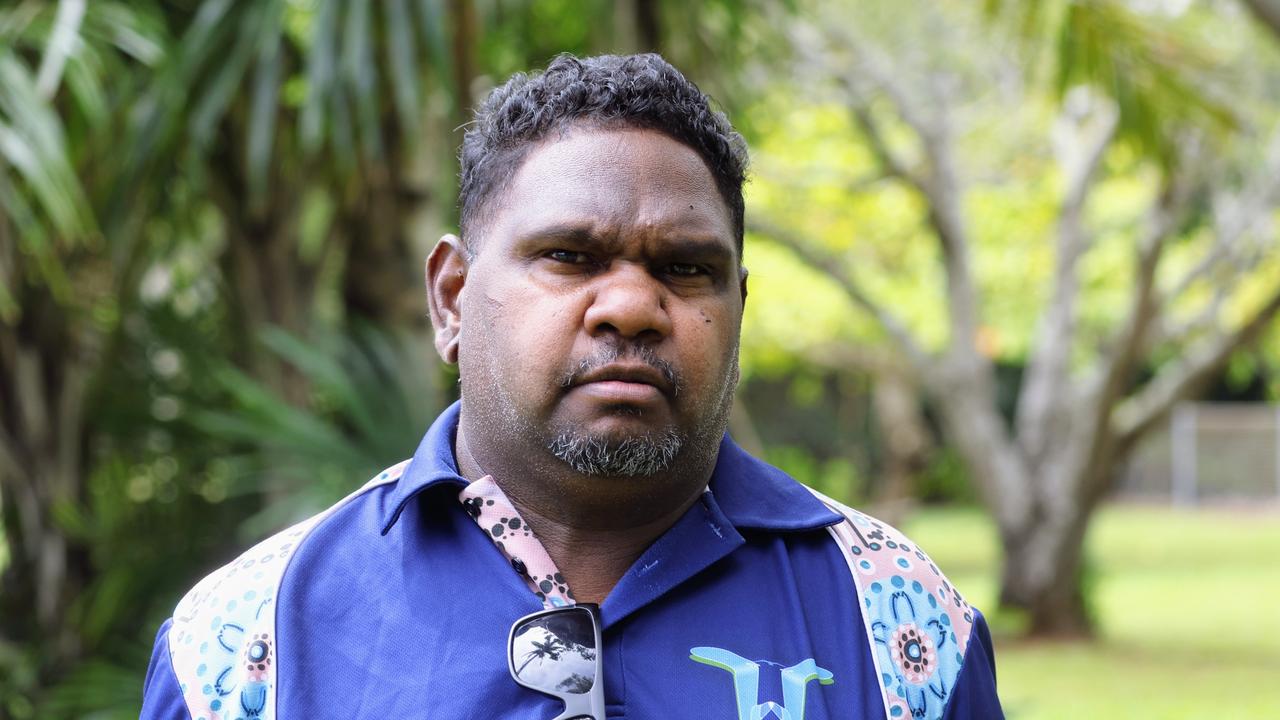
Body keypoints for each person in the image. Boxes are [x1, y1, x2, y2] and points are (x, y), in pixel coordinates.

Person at [140, 53, 1003, 720]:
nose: (631, 305)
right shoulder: (246, 641)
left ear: (737, 308)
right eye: (569, 257)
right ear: (452, 297)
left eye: (685, 267)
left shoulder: (900, 622)